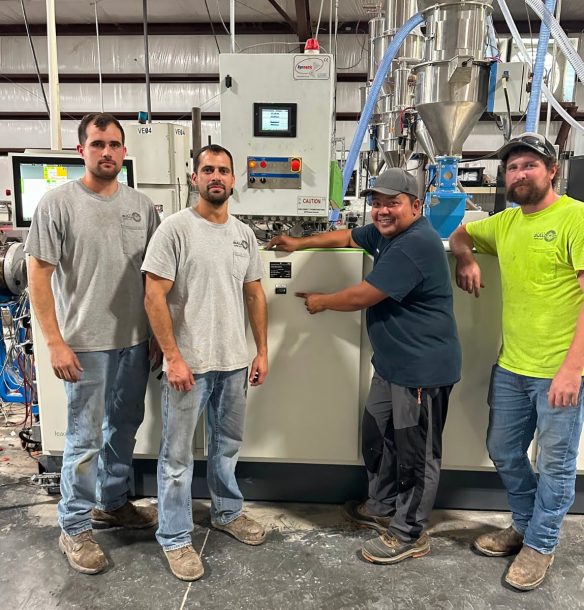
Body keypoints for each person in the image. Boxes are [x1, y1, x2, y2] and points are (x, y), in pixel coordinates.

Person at [267, 167, 461, 565]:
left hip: (421, 370)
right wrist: (300, 243)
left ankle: (409, 532)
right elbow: (348, 235)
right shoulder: (386, 233)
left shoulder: (416, 243)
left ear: (416, 206)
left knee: (416, 453)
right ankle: (383, 505)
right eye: (377, 203)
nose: (382, 211)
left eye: (393, 203)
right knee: (377, 434)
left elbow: (362, 296)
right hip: (391, 365)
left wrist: (321, 301)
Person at [25, 113, 160, 575]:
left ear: (125, 152)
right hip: (84, 345)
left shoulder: (143, 207)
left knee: (124, 428)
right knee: (83, 440)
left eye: (115, 144)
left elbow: (155, 282)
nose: (108, 152)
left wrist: (158, 337)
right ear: (81, 150)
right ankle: (75, 526)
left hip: (135, 343)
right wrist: (55, 343)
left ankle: (113, 502)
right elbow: (37, 276)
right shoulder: (57, 204)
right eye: (98, 143)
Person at [449, 132, 584, 591]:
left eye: (529, 165)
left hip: (559, 371)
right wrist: (465, 258)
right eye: (512, 167)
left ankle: (541, 544)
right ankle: (526, 525)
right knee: (504, 451)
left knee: (557, 465)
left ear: (552, 171)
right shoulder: (506, 223)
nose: (520, 173)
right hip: (512, 366)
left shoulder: (575, 219)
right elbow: (460, 233)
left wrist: (572, 369)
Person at [142, 144, 268, 582]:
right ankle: (175, 537)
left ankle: (226, 512)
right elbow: (153, 294)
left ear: (234, 180)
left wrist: (262, 351)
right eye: (208, 170)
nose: (216, 177)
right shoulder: (174, 230)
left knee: (226, 446)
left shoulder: (243, 234)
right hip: (188, 367)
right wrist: (173, 357)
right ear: (195, 177)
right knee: (177, 457)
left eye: (224, 171)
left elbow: (254, 293)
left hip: (234, 361)